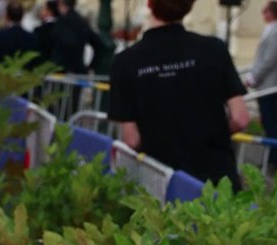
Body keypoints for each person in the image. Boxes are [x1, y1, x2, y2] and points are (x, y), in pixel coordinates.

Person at [107, 0, 249, 189]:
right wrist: (211, 131)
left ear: (149, 4)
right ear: (189, 7)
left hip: (163, 183)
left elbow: (132, 140)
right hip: (217, 181)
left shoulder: (124, 62)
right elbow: (240, 118)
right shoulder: (214, 49)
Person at [245, 0, 277, 170]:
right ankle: (271, 156)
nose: (263, 13)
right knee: (267, 122)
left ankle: (275, 158)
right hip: (264, 84)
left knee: (271, 123)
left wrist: (255, 77)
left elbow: (269, 60)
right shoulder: (270, 30)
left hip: (269, 84)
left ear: (271, 13)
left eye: (265, 10)